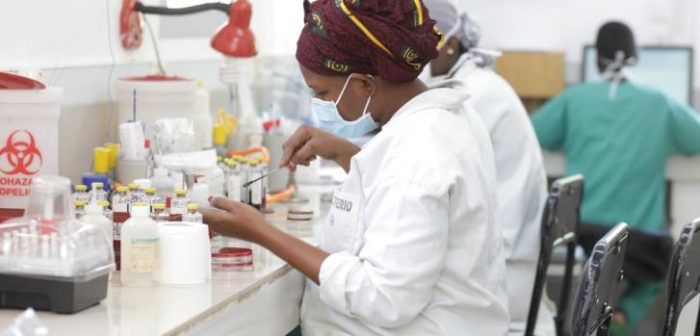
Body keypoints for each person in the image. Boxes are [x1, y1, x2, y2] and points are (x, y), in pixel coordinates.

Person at [201, 0, 510, 334]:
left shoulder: (418, 152)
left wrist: (260, 231)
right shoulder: (446, 118)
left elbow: (383, 299)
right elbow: (401, 200)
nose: (320, 105)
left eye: (323, 92)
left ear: (364, 84)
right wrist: (344, 153)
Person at [531, 21, 700, 334]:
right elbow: (696, 139)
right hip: (641, 240)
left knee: (594, 273)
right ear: (635, 58)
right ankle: (620, 320)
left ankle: (584, 318)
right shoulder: (659, 102)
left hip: (583, 233)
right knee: (659, 267)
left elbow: (534, 132)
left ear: (596, 60)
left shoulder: (574, 99)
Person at [421, 1, 555, 335]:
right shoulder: (476, 84)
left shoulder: (471, 95)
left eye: (417, 42)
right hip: (512, 261)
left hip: (504, 276)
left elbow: (423, 171)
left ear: (450, 43)